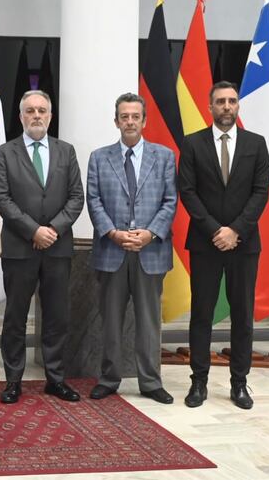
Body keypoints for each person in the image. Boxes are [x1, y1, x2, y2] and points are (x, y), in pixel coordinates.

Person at [178, 81, 269, 410]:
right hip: (205, 243)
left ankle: (239, 383)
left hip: (244, 244)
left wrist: (236, 231)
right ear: (210, 106)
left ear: (238, 105)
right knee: (201, 314)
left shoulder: (256, 144)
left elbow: (261, 192)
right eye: (220, 101)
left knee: (242, 315)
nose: (226, 106)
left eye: (231, 101)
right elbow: (187, 191)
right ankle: (198, 381)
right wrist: (216, 230)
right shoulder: (193, 144)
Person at [0, 89, 84, 404]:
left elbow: (76, 197)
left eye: (42, 110)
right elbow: (2, 198)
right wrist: (33, 231)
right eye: (30, 110)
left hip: (57, 247)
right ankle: (13, 381)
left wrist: (53, 230)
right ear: (21, 117)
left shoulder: (66, 151)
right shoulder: (4, 153)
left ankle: (55, 379)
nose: (36, 116)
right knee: (15, 317)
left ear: (50, 116)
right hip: (19, 247)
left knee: (57, 316)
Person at [86, 93, 177, 404]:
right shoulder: (99, 158)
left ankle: (150, 382)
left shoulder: (164, 157)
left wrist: (150, 234)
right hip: (112, 251)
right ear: (116, 121)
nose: (129, 122)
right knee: (110, 321)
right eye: (124, 117)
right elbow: (94, 200)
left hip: (150, 252)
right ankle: (109, 379)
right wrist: (112, 232)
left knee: (149, 321)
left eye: (135, 116)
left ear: (144, 120)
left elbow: (170, 201)